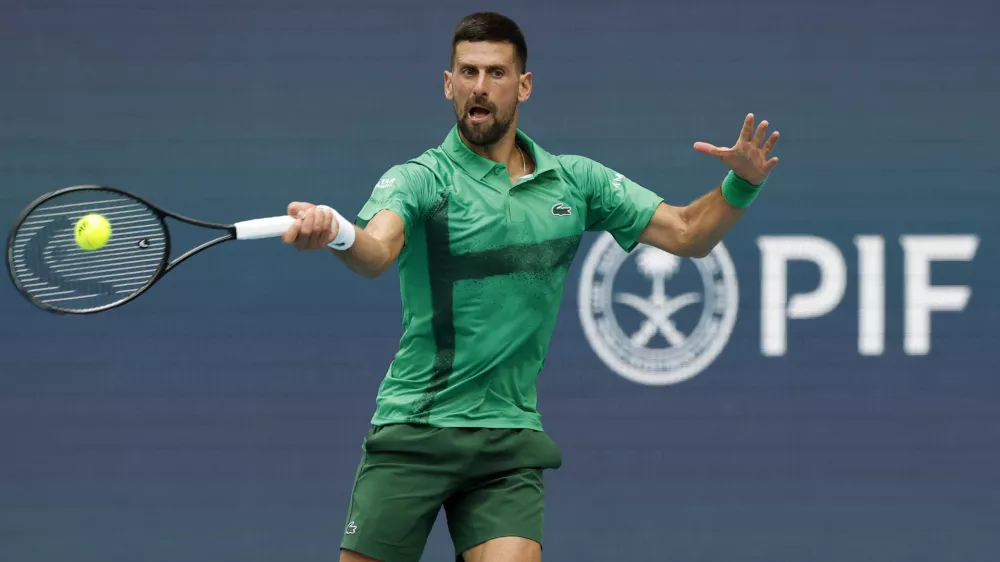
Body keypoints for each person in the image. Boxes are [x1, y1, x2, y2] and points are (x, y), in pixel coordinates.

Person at [282, 11, 779, 562]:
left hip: (507, 439)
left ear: (524, 86)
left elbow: (689, 233)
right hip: (414, 431)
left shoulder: (576, 182)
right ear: (449, 84)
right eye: (467, 72)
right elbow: (376, 251)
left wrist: (743, 182)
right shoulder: (422, 178)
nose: (479, 87)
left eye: (495, 73)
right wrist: (337, 233)